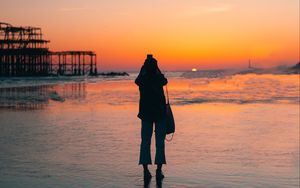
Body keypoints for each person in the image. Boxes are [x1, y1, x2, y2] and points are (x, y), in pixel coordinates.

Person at [135, 54, 168, 180]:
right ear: (155, 67)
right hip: (160, 113)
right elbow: (165, 81)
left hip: (146, 113)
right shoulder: (158, 78)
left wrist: (143, 69)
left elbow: (137, 80)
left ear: (145, 67)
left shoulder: (143, 79)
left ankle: (145, 170)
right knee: (160, 142)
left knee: (145, 142)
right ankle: (159, 170)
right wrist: (157, 69)